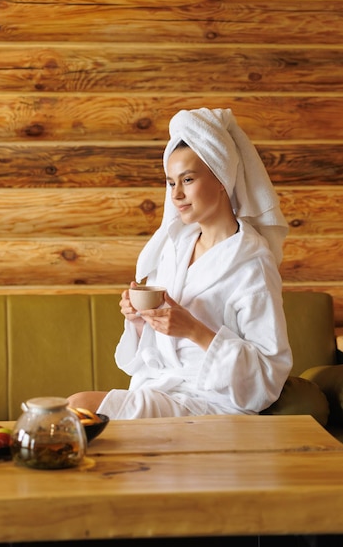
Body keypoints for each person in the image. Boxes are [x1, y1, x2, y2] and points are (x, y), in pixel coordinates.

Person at [68, 107, 293, 419]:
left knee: (79, 407)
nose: (177, 194)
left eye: (187, 179)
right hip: (163, 388)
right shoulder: (176, 248)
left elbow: (267, 375)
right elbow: (155, 344)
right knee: (72, 411)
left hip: (214, 402)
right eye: (171, 182)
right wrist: (138, 319)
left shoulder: (252, 263)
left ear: (221, 179)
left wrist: (195, 331)